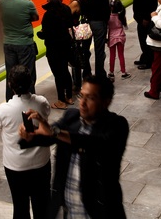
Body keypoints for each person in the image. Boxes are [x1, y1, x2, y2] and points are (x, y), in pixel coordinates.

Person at [19, 75, 128, 219]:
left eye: (90, 98)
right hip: (68, 212)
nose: (82, 103)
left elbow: (94, 144)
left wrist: (54, 132)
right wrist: (30, 135)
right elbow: (49, 137)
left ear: (106, 102)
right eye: (81, 96)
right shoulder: (71, 117)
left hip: (98, 212)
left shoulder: (117, 125)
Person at [0, 65, 51, 219]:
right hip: (41, 163)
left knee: (20, 207)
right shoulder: (42, 103)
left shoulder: (3, 110)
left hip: (15, 166)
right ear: (31, 82)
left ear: (10, 85)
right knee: (42, 206)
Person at [0, 0, 39, 101]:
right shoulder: (27, 4)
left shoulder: (1, 1)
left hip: (8, 44)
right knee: (28, 76)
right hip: (24, 44)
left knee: (11, 76)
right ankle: (29, 103)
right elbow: (36, 17)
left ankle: (10, 102)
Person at [37, 0, 74, 110]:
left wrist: (39, 34)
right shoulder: (66, 9)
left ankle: (61, 101)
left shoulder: (48, 15)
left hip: (53, 49)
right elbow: (70, 24)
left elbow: (45, 34)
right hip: (66, 45)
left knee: (58, 74)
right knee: (65, 70)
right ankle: (69, 96)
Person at [80, 0, 111, 78]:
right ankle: (100, 74)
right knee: (99, 50)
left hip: (84, 23)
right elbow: (106, 9)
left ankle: (86, 72)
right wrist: (106, 22)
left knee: (85, 49)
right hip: (98, 23)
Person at [132, 0, 158, 70]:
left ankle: (148, 61)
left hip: (144, 19)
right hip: (141, 18)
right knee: (142, 39)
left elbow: (151, 2)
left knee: (144, 40)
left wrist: (147, 18)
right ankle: (144, 57)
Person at [63, 0, 84, 93]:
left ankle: (77, 84)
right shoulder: (76, 0)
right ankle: (77, 83)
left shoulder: (74, 3)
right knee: (75, 58)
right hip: (75, 33)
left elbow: (65, 17)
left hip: (73, 35)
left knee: (75, 59)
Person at [107, 0, 130, 81]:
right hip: (121, 37)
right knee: (121, 55)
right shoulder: (121, 17)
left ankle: (111, 72)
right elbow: (126, 28)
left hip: (112, 38)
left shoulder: (108, 18)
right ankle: (123, 73)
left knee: (112, 56)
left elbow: (107, 28)